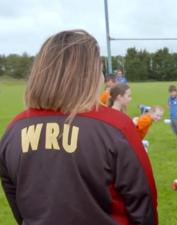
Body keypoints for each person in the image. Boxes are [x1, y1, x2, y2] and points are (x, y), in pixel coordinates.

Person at [0, 30, 158, 225]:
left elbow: (20, 206)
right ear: (89, 75)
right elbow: (143, 201)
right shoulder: (115, 125)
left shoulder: (15, 129)